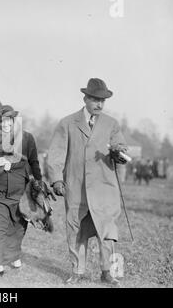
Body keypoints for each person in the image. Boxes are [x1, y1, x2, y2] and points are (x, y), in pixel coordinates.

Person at [47, 78, 128, 286]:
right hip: (77, 188)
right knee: (77, 231)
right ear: (85, 98)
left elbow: (121, 148)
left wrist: (119, 154)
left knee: (108, 232)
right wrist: (56, 179)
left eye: (103, 100)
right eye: (95, 99)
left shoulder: (112, 124)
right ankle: (77, 271)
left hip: (104, 188)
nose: (99, 104)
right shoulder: (67, 123)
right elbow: (55, 154)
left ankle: (108, 272)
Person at [0, 100, 52, 278]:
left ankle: (14, 255)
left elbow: (34, 162)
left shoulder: (27, 139)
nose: (5, 124)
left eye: (9, 121)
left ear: (14, 122)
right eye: (2, 121)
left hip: (20, 192)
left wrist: (39, 182)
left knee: (18, 226)